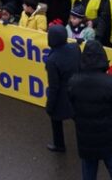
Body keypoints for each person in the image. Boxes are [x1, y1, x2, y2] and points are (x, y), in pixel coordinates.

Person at [68, 40, 112, 180]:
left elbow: (71, 107)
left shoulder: (73, 82)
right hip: (110, 139)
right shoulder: (110, 82)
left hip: (86, 139)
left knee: (89, 175)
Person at [45, 24, 81, 153]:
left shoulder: (52, 60)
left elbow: (54, 86)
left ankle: (59, 145)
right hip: (77, 89)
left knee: (55, 118)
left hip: (62, 94)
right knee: (80, 118)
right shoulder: (74, 48)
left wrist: (49, 106)